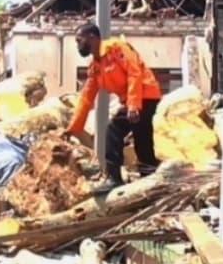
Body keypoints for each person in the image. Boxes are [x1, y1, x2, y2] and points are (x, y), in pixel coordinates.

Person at [66, 22, 163, 193]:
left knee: (113, 130)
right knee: (142, 138)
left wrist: (133, 105)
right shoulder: (96, 66)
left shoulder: (118, 48)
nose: (78, 45)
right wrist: (74, 127)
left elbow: (135, 73)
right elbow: (87, 96)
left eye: (79, 40)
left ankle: (114, 178)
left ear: (92, 37)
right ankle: (150, 178)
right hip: (134, 101)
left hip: (145, 96)